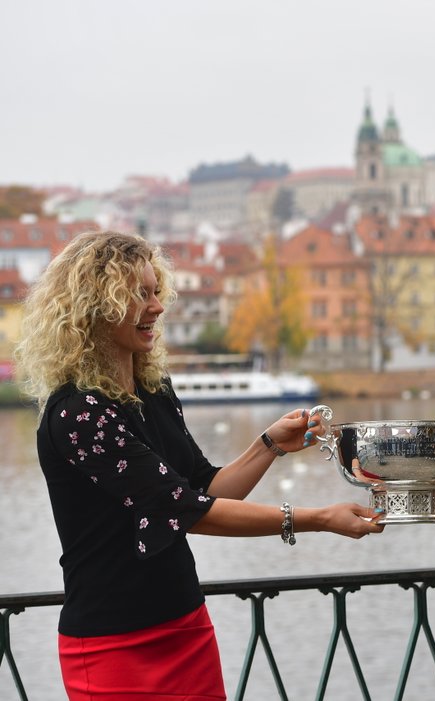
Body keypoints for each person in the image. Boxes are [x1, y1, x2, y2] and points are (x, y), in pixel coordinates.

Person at [15, 230, 384, 701]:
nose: (157, 307)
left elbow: (208, 487)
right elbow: (186, 511)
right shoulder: (76, 414)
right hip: (113, 644)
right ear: (95, 305)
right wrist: (315, 519)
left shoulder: (153, 391)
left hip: (185, 625)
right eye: (139, 294)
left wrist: (269, 444)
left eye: (155, 291)